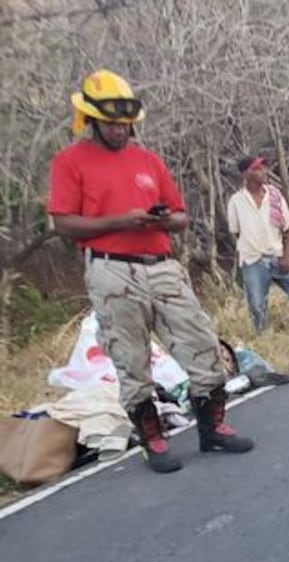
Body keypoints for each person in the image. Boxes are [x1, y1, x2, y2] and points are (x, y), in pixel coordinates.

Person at [47, 70, 253, 474]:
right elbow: (65, 224)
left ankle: (212, 427)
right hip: (111, 269)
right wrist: (121, 220)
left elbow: (179, 215)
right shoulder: (70, 162)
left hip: (161, 264)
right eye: (111, 124)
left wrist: (162, 221)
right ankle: (153, 440)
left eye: (125, 125)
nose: (120, 131)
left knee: (203, 342)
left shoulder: (147, 160)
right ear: (91, 120)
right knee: (131, 357)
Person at [226, 155, 289, 333]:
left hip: (277, 256)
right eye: (257, 169)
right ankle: (264, 338)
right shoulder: (236, 201)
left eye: (264, 167)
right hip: (253, 260)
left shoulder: (274, 194)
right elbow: (235, 231)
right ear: (246, 174)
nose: (263, 172)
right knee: (257, 307)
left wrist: (286, 256)